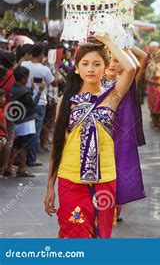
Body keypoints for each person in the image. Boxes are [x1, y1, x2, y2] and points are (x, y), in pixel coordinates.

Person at [43, 34, 136, 238]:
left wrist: (109, 40)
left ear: (105, 67)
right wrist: (50, 187)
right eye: (85, 64)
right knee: (75, 234)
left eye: (96, 64)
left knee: (100, 236)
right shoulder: (66, 101)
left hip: (105, 179)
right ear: (77, 68)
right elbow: (58, 145)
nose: (91, 69)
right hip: (70, 179)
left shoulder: (112, 97)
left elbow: (130, 68)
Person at [21, 44, 59, 167]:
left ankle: (20, 160)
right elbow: (54, 83)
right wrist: (56, 69)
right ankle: (31, 159)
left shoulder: (24, 65)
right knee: (35, 131)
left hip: (23, 101)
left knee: (22, 130)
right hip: (39, 102)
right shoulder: (44, 69)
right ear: (41, 54)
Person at [5, 66, 44, 178]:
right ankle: (21, 170)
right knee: (25, 146)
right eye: (27, 77)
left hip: (17, 119)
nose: (28, 79)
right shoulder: (24, 92)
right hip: (27, 121)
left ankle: (8, 168)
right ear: (23, 79)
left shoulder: (14, 88)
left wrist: (31, 89)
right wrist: (39, 92)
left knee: (17, 145)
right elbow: (33, 104)